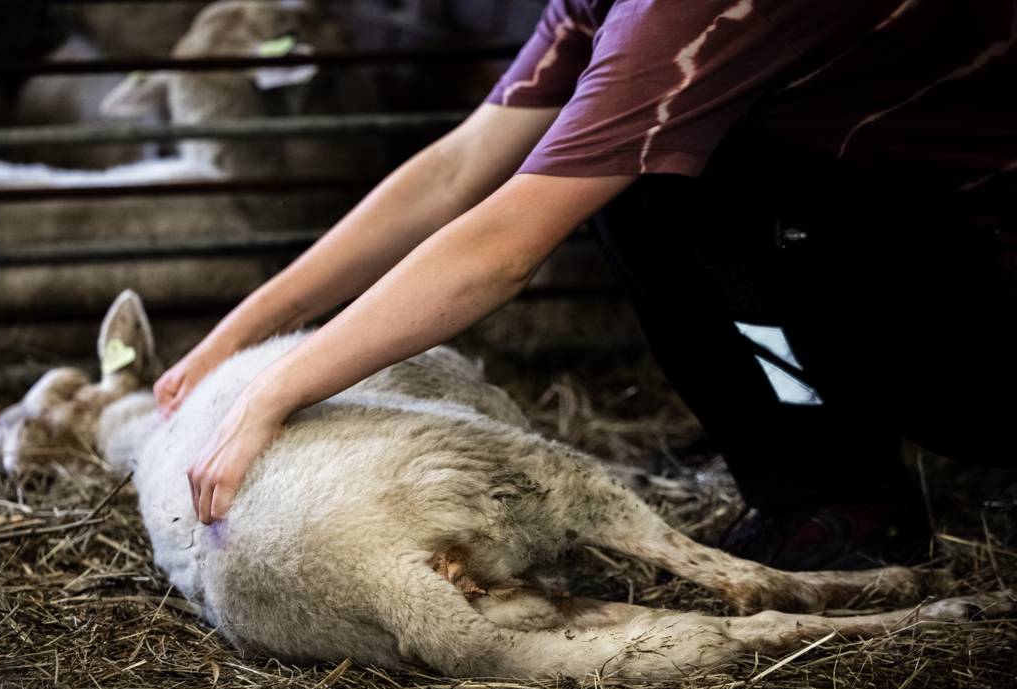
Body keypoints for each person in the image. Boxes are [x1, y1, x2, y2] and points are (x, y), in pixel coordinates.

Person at [155, 0, 1017, 571]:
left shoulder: (681, 12)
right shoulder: (599, 4)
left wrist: (275, 391)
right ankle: (797, 433)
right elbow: (458, 167)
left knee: (659, 191)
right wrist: (239, 334)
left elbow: (503, 248)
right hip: (902, 239)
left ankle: (842, 492)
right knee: (650, 184)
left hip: (984, 308)